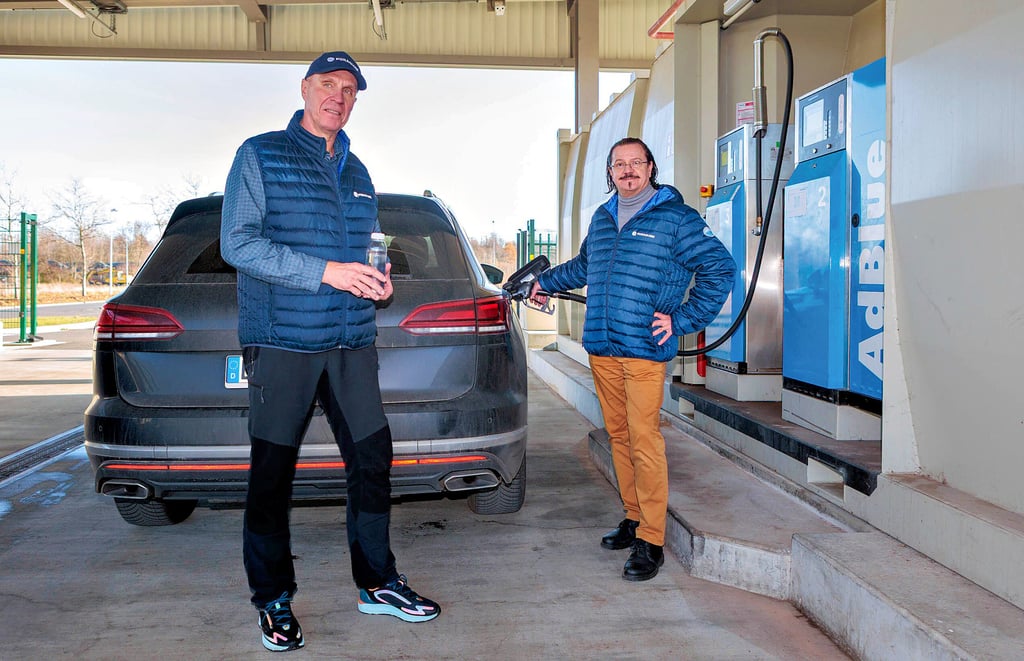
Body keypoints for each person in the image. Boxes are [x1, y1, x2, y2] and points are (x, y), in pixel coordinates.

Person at [221, 51, 440, 653]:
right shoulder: (259, 154)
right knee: (271, 476)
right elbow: (238, 243)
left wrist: (378, 276)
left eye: (349, 89)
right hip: (284, 341)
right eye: (328, 85)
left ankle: (376, 582)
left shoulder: (357, 170)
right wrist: (328, 272)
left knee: (373, 461)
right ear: (305, 89)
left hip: (350, 342)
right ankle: (272, 599)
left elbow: (367, 248)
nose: (338, 97)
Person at [530, 137, 736, 582]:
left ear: (650, 167)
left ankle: (653, 539)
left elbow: (721, 268)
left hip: (643, 350)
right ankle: (633, 516)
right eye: (618, 165)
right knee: (619, 436)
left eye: (635, 163)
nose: (627, 171)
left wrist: (683, 319)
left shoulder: (677, 219)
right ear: (610, 173)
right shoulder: (603, 218)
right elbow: (585, 266)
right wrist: (545, 281)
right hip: (603, 347)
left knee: (645, 441)